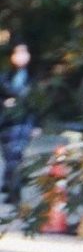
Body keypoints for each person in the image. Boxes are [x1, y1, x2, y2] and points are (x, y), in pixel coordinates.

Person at [1, 42, 36, 206]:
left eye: (24, 52)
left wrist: (36, 125)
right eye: (17, 53)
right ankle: (9, 185)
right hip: (6, 123)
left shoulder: (32, 78)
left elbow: (37, 103)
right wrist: (4, 103)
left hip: (24, 122)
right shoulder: (4, 77)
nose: (21, 56)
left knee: (17, 156)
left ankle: (15, 192)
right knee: (9, 157)